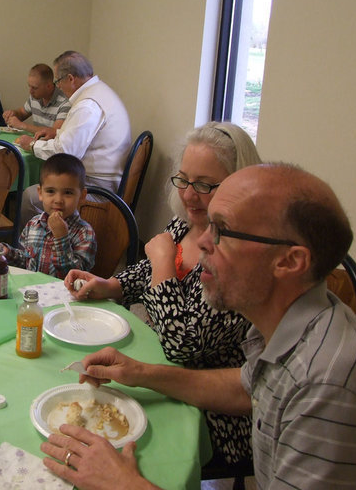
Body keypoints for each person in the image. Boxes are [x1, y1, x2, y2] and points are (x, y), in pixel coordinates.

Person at [42, 163, 356, 490]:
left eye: (223, 231)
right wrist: (141, 373)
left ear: (290, 261)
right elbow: (247, 388)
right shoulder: (290, 320)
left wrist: (126, 486)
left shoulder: (328, 387)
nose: (203, 243)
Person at [64, 122, 260, 467]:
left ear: (237, 185)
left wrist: (165, 263)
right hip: (158, 371)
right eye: (183, 180)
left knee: (111, 437)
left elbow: (181, 344)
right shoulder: (186, 219)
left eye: (203, 185)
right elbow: (147, 269)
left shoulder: (238, 254)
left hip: (209, 409)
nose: (188, 195)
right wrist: (112, 285)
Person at [17, 51, 131, 220]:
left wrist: (32, 145)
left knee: (30, 197)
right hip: (106, 179)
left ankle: (31, 245)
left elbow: (66, 153)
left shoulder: (88, 105)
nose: (58, 86)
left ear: (70, 79)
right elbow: (83, 137)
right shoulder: (99, 91)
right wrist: (56, 132)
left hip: (97, 189)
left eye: (57, 81)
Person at [0, 153, 96, 278]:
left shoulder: (84, 233)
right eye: (50, 191)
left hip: (65, 296)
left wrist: (61, 238)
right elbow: (26, 261)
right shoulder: (33, 224)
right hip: (31, 291)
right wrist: (8, 252)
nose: (58, 200)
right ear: (40, 193)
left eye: (68, 193)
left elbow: (76, 275)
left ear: (81, 196)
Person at [2, 63, 70, 135]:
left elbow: (54, 133)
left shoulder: (65, 103)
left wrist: (22, 126)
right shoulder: (35, 96)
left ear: (49, 86)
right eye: (29, 86)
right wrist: (13, 114)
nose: (30, 91)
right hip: (36, 142)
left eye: (34, 88)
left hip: (50, 144)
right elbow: (22, 113)